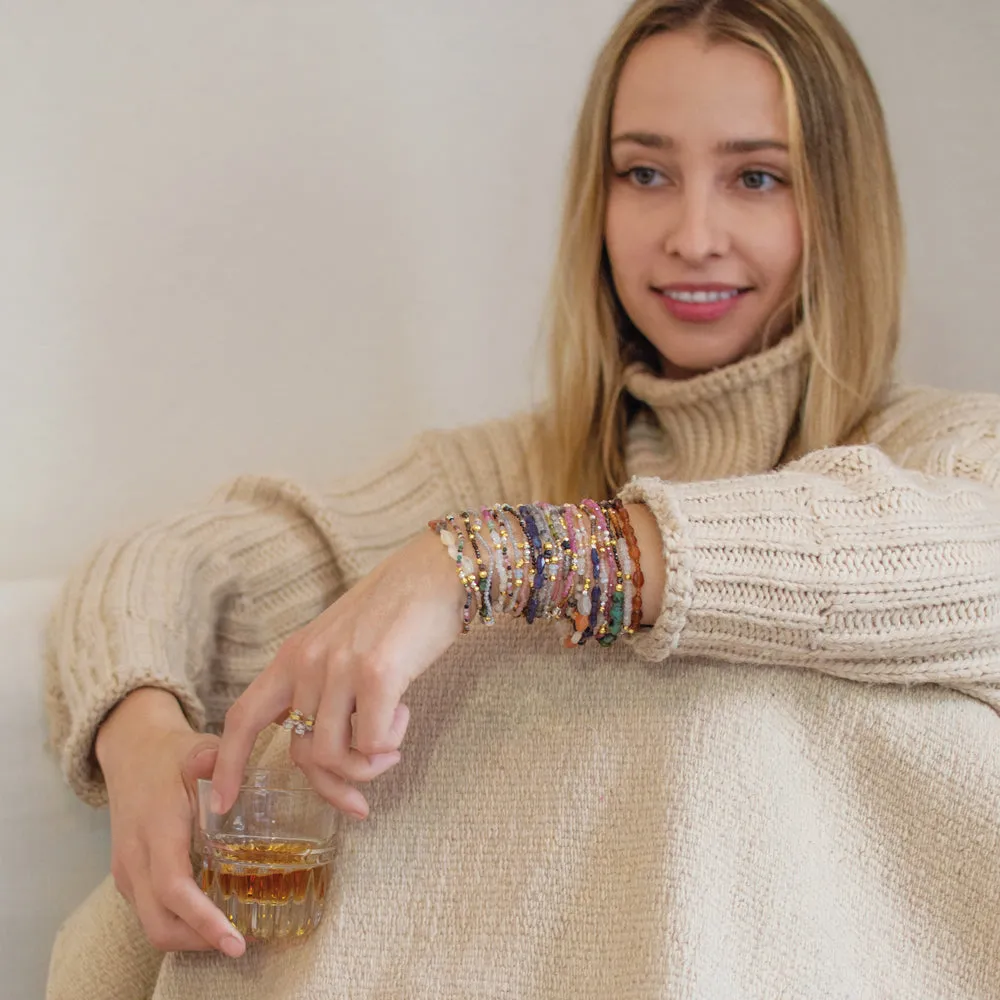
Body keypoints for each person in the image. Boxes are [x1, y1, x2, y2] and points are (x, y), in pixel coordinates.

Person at [45, 0, 1000, 997]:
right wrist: (141, 732)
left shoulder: (935, 450)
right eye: (644, 173)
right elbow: (169, 562)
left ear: (840, 206)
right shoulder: (518, 468)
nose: (692, 233)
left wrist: (497, 566)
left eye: (756, 177)